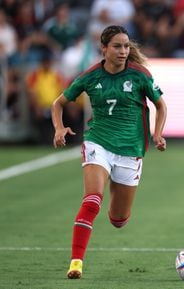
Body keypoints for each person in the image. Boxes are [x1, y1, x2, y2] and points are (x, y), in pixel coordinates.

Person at [51, 25, 167, 279]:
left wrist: (157, 133)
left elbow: (160, 105)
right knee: (92, 200)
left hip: (130, 149)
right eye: (117, 46)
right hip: (98, 142)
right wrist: (59, 128)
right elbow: (58, 103)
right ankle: (76, 263)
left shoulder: (140, 75)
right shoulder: (90, 76)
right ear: (103, 48)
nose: (123, 51)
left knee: (118, 220)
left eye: (126, 46)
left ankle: (115, 183)